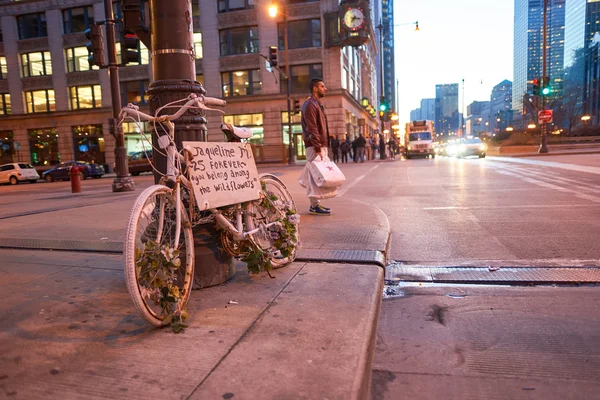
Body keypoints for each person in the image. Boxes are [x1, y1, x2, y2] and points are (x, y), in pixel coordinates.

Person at [298, 78, 335, 215]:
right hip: (315, 146)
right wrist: (318, 148)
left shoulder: (317, 104)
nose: (325, 89)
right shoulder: (310, 105)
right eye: (322, 86)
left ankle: (315, 204)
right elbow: (312, 128)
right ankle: (314, 205)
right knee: (314, 176)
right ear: (315, 88)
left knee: (317, 176)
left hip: (319, 144)